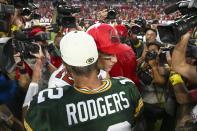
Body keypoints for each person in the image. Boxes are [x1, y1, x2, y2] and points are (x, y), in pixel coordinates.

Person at [24, 31, 143, 131]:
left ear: (66, 65)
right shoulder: (127, 87)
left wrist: (34, 80)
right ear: (97, 57)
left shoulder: (47, 103)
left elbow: (26, 120)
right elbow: (136, 120)